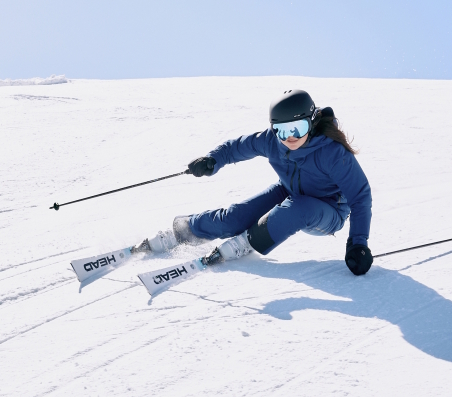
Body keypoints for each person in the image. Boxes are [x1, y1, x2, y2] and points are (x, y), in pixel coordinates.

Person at [139, 89, 374, 275]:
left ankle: (247, 242)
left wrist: (358, 243)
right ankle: (184, 231)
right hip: (289, 191)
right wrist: (212, 160)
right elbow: (237, 147)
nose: (290, 137)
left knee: (300, 207)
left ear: (312, 122)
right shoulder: (272, 142)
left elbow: (360, 197)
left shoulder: (332, 153)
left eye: (297, 128)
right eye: (282, 130)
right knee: (235, 217)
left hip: (328, 210)